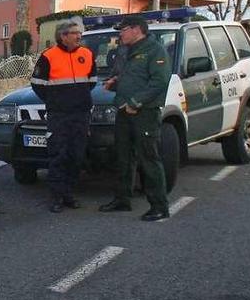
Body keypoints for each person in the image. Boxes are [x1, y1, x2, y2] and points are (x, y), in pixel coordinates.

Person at [99, 15, 172, 222]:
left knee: (149, 159)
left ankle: (159, 206)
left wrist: (135, 102)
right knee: (122, 157)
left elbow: (159, 81)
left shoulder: (154, 50)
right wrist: (115, 82)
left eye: (123, 30)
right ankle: (122, 199)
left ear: (136, 29)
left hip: (144, 113)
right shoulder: (130, 50)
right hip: (124, 111)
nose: (120, 34)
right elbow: (135, 76)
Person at [30, 20, 97, 213]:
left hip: (81, 114)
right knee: (58, 155)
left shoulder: (87, 54)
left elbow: (91, 81)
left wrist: (78, 98)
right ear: (63, 36)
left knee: (76, 155)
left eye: (80, 34)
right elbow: (37, 84)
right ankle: (56, 197)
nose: (79, 37)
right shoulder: (48, 56)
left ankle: (69, 194)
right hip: (59, 115)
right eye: (75, 33)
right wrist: (57, 101)